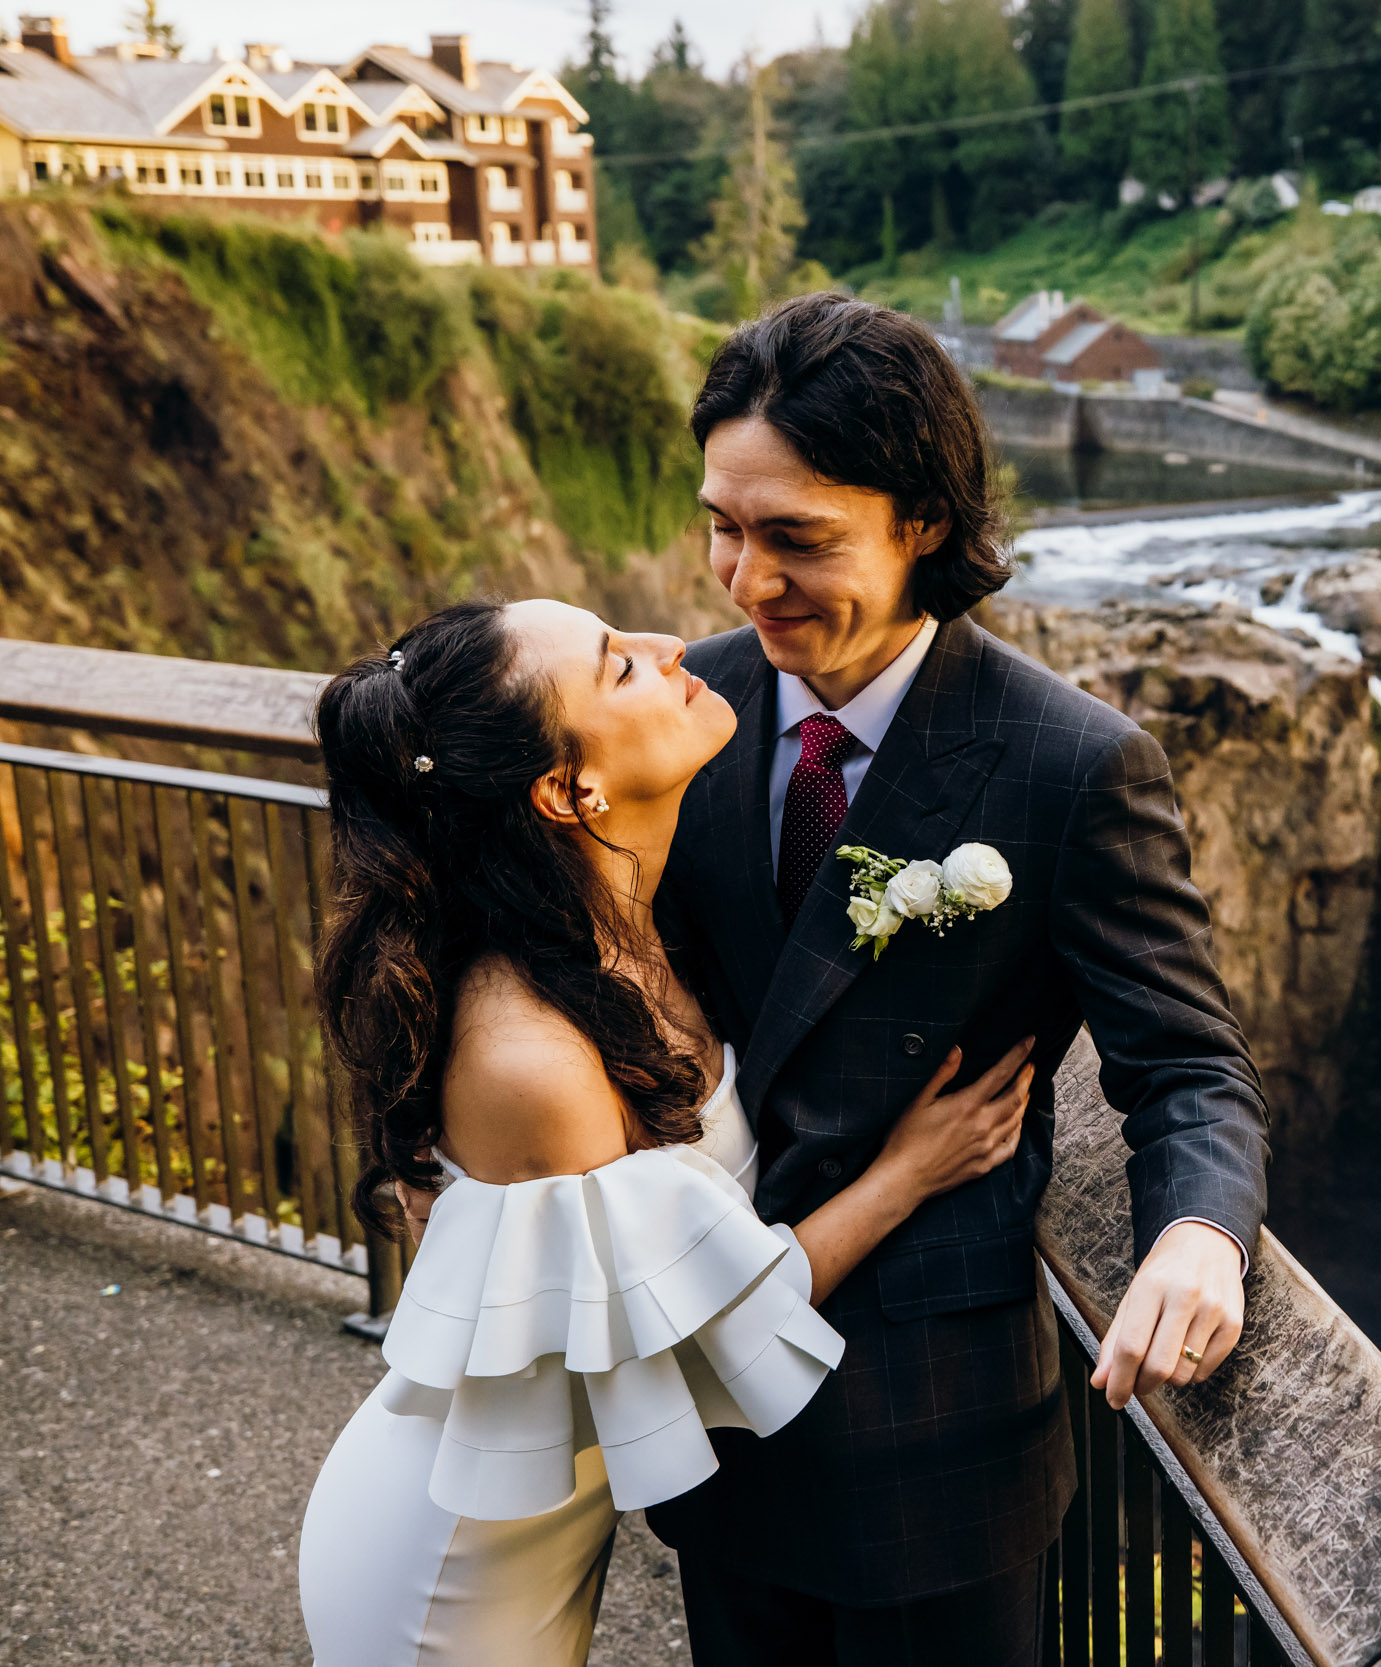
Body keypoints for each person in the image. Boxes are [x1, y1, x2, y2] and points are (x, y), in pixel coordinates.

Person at [639, 294, 1270, 1666]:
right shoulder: (682, 708)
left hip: (934, 1447)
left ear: (922, 518)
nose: (747, 579)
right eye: (723, 525)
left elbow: (1189, 1065)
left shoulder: (1069, 761)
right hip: (715, 1410)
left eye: (799, 537)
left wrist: (1200, 1234)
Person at [296, 595, 1037, 1667]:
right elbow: (700, 1333)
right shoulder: (532, 1060)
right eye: (619, 667)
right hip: (449, 1562)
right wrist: (908, 1172)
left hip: (538, 1513)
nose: (670, 647)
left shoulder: (613, 920)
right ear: (568, 788)